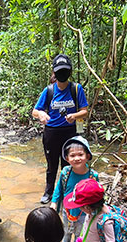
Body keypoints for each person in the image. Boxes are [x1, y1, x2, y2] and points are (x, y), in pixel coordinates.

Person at [32, 54, 89, 204]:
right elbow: (35, 111)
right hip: (51, 132)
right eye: (59, 71)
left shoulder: (76, 89)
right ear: (54, 72)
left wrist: (74, 116)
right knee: (52, 165)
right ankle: (48, 192)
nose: (62, 74)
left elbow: (85, 110)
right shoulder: (49, 90)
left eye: (65, 70)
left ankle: (67, 193)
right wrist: (41, 114)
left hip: (70, 132)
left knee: (68, 164)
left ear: (69, 72)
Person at [50, 136, 98, 242]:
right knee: (66, 232)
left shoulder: (92, 176)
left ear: (88, 156)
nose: (76, 158)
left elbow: (97, 196)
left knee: (80, 235)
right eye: (72, 155)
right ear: (67, 158)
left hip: (84, 213)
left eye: (80, 155)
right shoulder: (66, 173)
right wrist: (54, 203)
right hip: (67, 211)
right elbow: (59, 189)